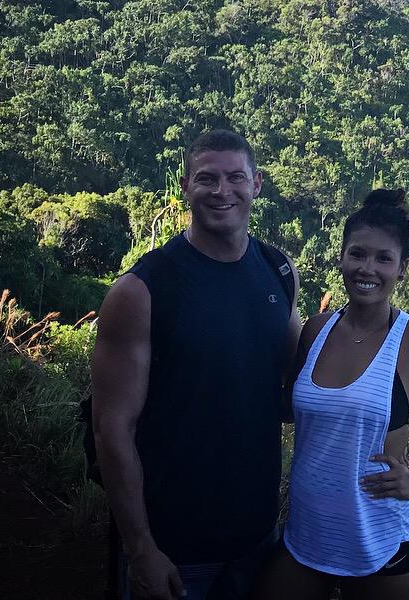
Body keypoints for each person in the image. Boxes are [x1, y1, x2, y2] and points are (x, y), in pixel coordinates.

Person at [254, 189, 409, 600]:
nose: (368, 268)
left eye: (384, 258)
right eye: (358, 254)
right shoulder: (315, 331)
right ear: (341, 257)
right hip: (306, 534)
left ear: (402, 268)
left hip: (382, 542)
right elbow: (290, 408)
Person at [92, 129, 301, 600]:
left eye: (235, 178)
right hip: (172, 542)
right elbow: (112, 428)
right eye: (207, 179)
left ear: (258, 184)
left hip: (255, 535)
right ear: (185, 186)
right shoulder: (142, 290)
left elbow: (293, 386)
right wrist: (141, 548)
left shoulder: (278, 271)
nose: (222, 191)